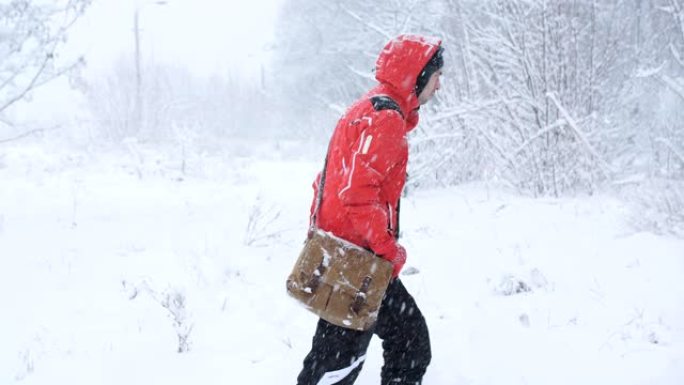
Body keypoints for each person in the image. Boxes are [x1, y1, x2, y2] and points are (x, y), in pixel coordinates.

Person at [297, 34, 444, 385]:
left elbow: (326, 180)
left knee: (400, 345)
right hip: (359, 264)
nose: (440, 85)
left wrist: (323, 236)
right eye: (437, 75)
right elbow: (358, 195)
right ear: (417, 75)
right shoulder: (385, 120)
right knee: (339, 365)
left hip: (348, 255)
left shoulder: (367, 108)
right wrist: (388, 250)